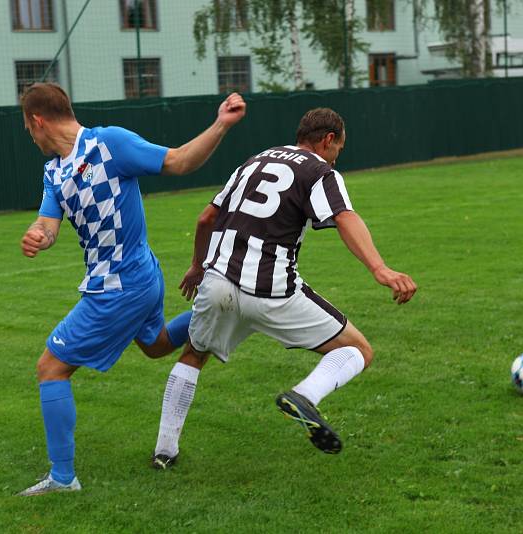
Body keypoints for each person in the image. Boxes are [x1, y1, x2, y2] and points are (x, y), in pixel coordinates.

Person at [151, 107, 417, 469]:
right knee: (358, 350)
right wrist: (380, 268)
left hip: (217, 283)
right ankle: (304, 396)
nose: (338, 155)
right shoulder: (320, 170)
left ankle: (164, 451)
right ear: (327, 140)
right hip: (271, 291)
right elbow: (343, 217)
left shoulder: (253, 161)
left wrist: (197, 267)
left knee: (194, 356)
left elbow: (206, 218)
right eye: (339, 147)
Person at [16, 83, 246, 495]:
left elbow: (178, 161)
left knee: (50, 367)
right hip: (138, 278)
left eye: (28, 129)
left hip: (119, 285)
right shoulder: (54, 171)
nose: (30, 138)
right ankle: (222, 310)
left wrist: (220, 125)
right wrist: (37, 235)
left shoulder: (109, 143)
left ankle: (63, 478)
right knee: (157, 344)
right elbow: (47, 226)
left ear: (37, 121)